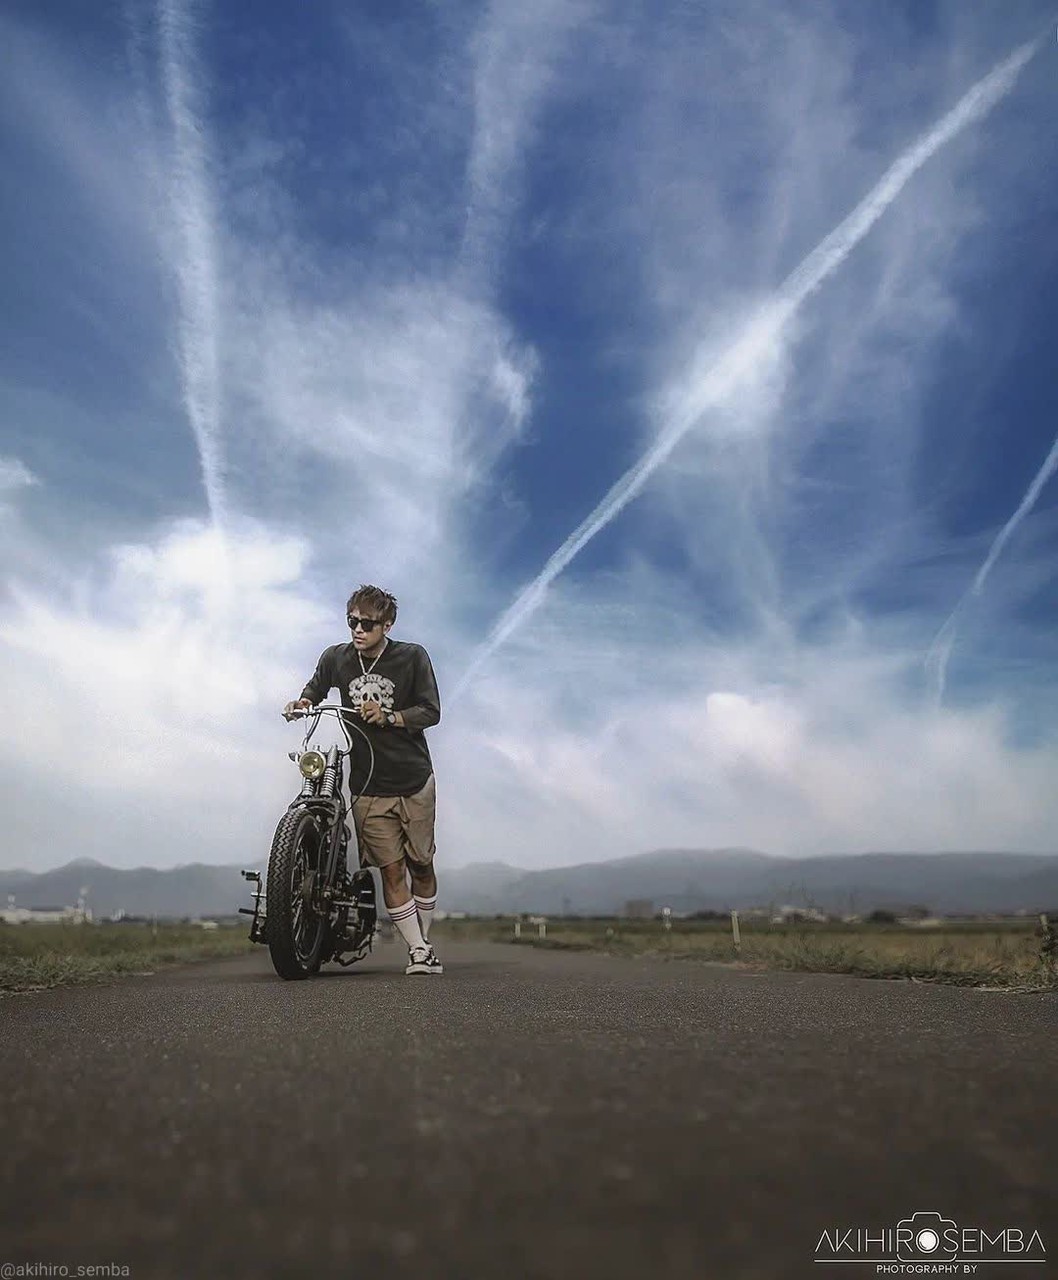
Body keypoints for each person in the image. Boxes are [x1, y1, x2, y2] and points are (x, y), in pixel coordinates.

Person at [282, 585, 443, 975]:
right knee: (391, 869)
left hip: (414, 778)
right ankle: (418, 951)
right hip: (368, 785)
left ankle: (423, 940)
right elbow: (316, 687)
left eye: (367, 624)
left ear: (387, 625)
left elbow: (431, 710)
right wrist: (303, 703)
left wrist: (391, 717)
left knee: (421, 865)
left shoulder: (412, 657)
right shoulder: (336, 657)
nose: (358, 629)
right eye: (352, 621)